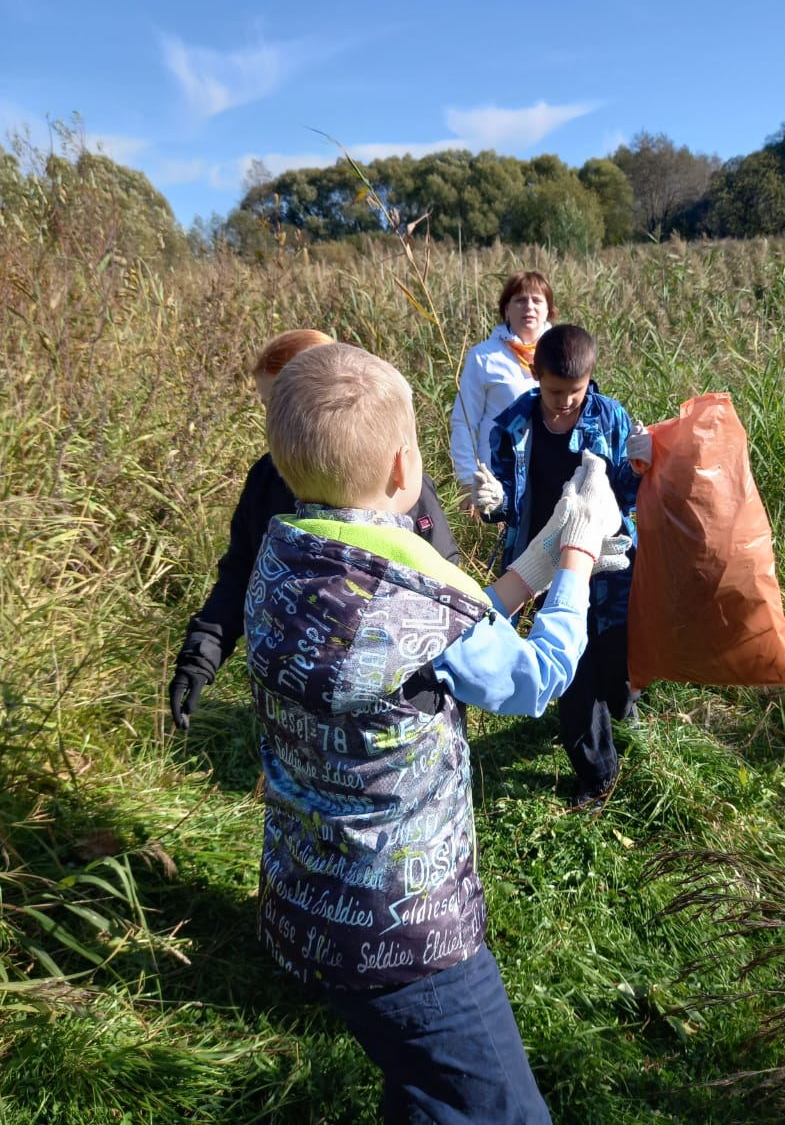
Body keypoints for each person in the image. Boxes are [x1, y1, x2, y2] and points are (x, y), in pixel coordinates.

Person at [243, 341, 627, 1123]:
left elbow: (431, 638)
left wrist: (539, 559)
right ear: (400, 470)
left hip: (307, 907)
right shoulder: (415, 592)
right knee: (503, 1112)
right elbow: (534, 677)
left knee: (425, 1090)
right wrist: (581, 558)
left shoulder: (284, 560)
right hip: (409, 938)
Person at [168, 329, 459, 731]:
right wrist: (201, 654)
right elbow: (240, 572)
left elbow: (446, 576)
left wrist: (448, 682)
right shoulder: (267, 480)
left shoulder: (397, 483)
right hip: (297, 706)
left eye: (281, 404)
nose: (276, 424)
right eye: (269, 408)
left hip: (398, 705)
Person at [472, 324, 652, 809]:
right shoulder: (512, 425)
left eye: (575, 392)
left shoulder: (610, 417)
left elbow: (627, 501)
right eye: (555, 392)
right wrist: (492, 501)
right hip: (548, 564)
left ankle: (624, 708)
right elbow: (507, 499)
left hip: (609, 563)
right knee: (573, 671)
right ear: (536, 375)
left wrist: (642, 468)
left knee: (616, 661)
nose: (565, 403)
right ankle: (598, 774)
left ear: (590, 379)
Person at [449, 269, 556, 511]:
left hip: (551, 475)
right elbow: (465, 421)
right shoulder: (484, 357)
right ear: (506, 309)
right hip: (498, 479)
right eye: (519, 300)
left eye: (537, 300)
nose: (529, 307)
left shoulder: (562, 352)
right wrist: (468, 480)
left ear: (548, 309)